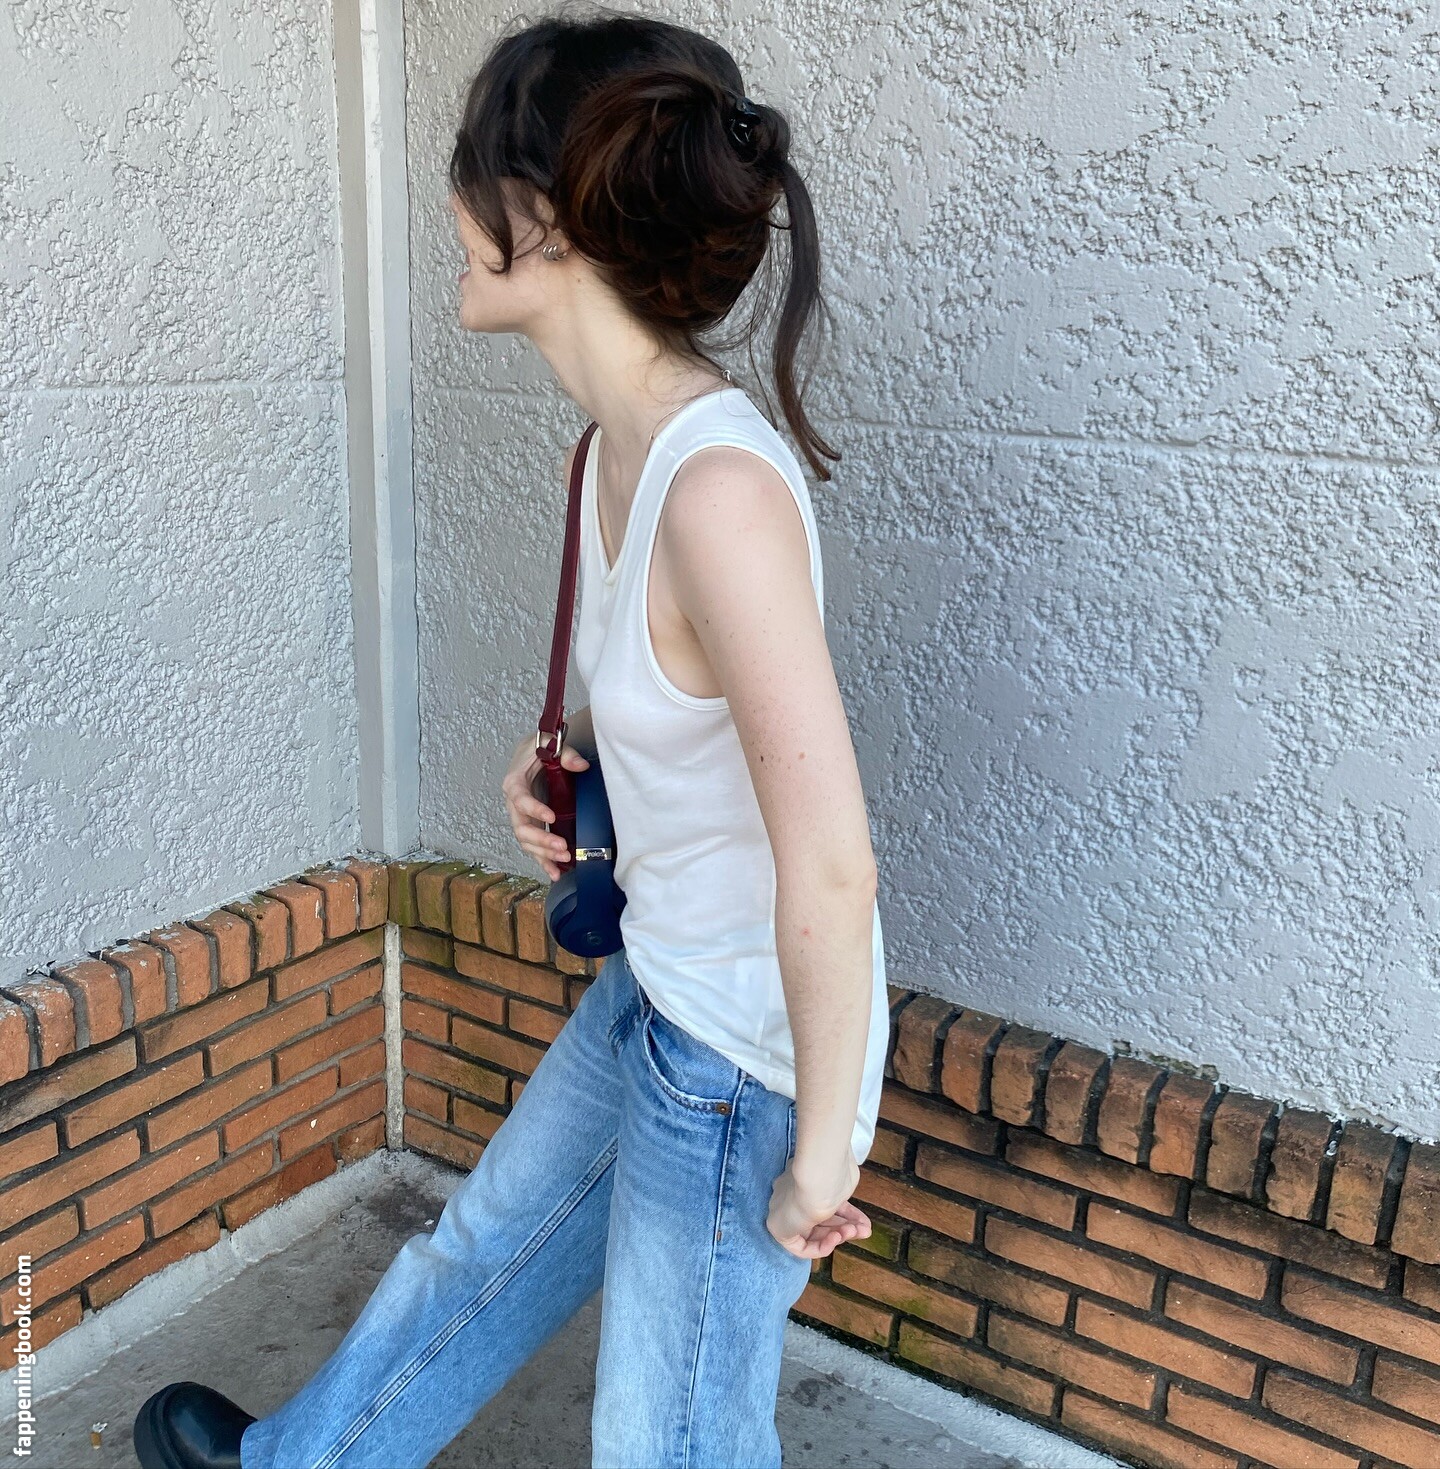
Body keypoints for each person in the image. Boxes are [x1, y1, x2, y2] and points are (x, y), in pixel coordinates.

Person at [133, 6, 891, 1466]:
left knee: (667, 1439)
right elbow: (687, 708)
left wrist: (819, 1159)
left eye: (474, 172)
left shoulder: (719, 496)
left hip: (740, 1057)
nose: (450, 206)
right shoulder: (610, 453)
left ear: (545, 221)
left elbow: (834, 861)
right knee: (471, 1260)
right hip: (656, 985)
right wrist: (578, 765)